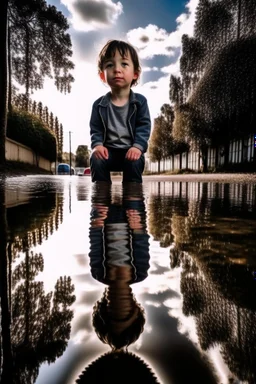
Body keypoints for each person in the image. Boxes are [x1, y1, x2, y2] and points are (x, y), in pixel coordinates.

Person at [89, 40, 151, 183]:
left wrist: (137, 147)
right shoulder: (98, 105)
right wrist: (97, 145)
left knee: (134, 161)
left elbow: (144, 127)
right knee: (96, 158)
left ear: (135, 73)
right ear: (102, 75)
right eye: (110, 65)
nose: (117, 69)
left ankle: (132, 197)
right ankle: (101, 195)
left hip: (131, 151)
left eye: (124, 64)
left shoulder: (140, 102)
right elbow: (95, 129)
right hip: (108, 152)